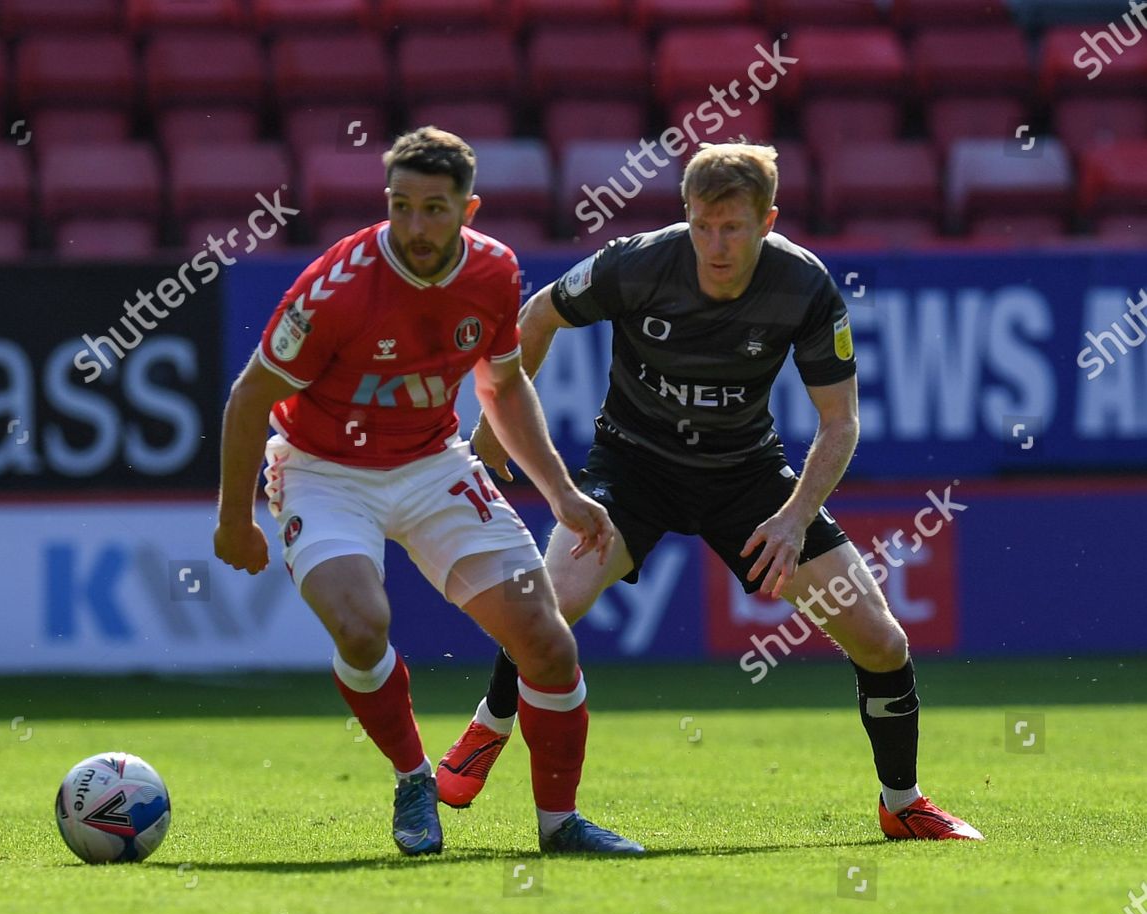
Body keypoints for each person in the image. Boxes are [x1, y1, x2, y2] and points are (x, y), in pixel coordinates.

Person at [436, 141, 983, 842]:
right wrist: (492, 426)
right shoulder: (637, 262)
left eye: (733, 228)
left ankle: (902, 802)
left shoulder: (804, 286)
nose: (716, 245)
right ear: (685, 216)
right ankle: (490, 725)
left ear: (768, 220)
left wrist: (793, 518)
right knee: (551, 605)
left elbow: (840, 423)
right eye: (702, 226)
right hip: (633, 467)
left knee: (881, 640)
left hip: (745, 477)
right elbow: (538, 315)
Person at [214, 127, 644, 856]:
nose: (415, 226)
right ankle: (415, 778)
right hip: (323, 472)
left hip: (432, 462)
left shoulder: (496, 273)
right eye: (401, 206)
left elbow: (502, 386)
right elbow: (250, 397)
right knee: (360, 625)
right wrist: (234, 520)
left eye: (434, 209)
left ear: (468, 210)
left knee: (546, 641)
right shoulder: (338, 287)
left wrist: (563, 493)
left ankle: (559, 825)